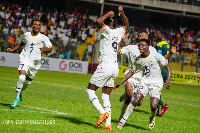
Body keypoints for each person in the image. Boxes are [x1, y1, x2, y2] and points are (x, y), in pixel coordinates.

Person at [118, 31, 177, 121]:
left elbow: (160, 59)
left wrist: (171, 54)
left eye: (145, 35)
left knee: (138, 103)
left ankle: (127, 94)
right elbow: (118, 52)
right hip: (132, 75)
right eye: (141, 35)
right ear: (138, 38)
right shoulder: (131, 48)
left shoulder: (152, 50)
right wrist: (120, 40)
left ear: (147, 39)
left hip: (144, 78)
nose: (143, 36)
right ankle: (121, 118)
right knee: (129, 97)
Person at [86, 5, 129, 130]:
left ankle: (102, 112)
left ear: (105, 24)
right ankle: (108, 124)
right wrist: (123, 13)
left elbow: (99, 21)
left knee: (90, 90)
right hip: (115, 67)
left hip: (105, 65)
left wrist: (107, 13)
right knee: (105, 95)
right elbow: (127, 25)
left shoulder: (106, 30)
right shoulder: (118, 32)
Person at [7, 19, 52, 108]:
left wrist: (45, 49)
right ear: (32, 26)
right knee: (21, 78)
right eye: (36, 24)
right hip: (25, 58)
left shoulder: (43, 37)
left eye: (39, 25)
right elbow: (21, 43)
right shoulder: (26, 35)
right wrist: (13, 49)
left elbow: (50, 48)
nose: (37, 26)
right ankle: (16, 97)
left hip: (35, 62)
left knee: (28, 82)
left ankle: (20, 93)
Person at [156, 29, 170, 116]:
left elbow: (159, 56)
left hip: (160, 68)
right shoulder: (167, 44)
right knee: (158, 90)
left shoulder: (159, 44)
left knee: (155, 90)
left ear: (161, 36)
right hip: (165, 68)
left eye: (158, 34)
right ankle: (157, 111)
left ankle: (162, 105)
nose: (156, 35)